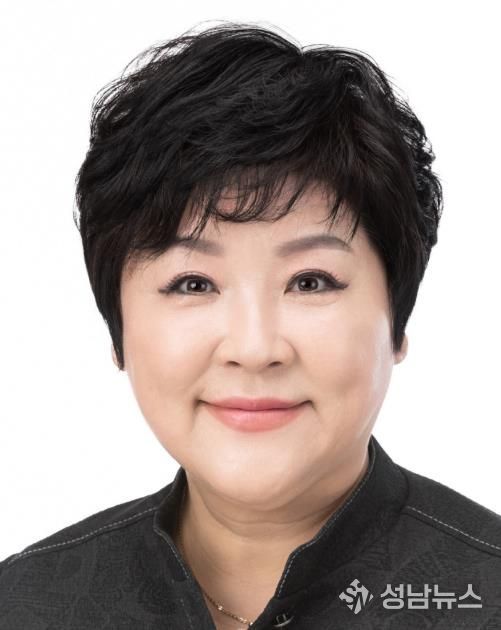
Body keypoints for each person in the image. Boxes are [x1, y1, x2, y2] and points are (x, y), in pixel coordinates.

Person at [1, 21, 500, 630]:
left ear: (395, 322)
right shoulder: (24, 605)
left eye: (310, 282)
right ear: (119, 331)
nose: (255, 347)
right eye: (194, 284)